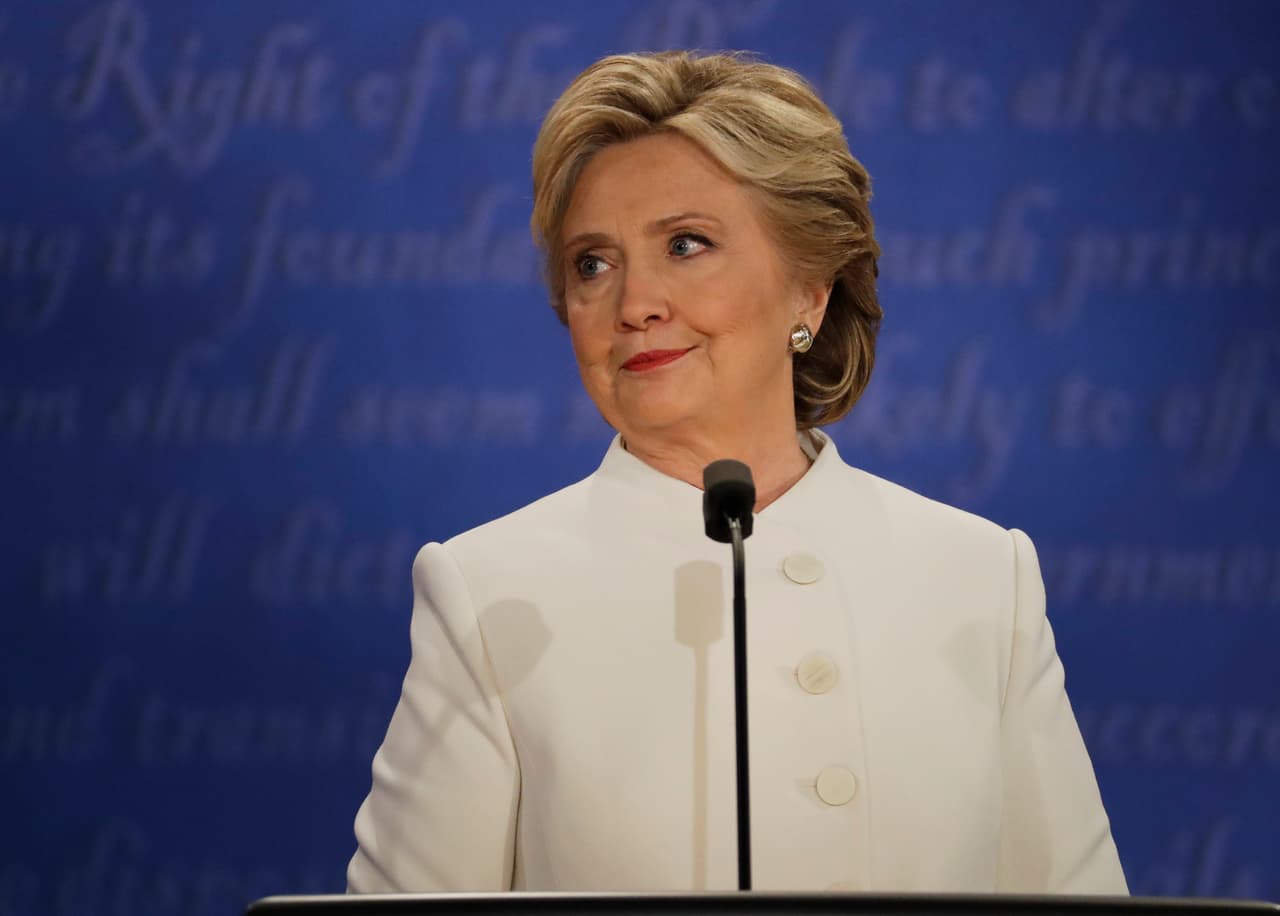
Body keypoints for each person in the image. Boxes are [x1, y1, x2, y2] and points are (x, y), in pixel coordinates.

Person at [345, 50, 1127, 895]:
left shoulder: (981, 576)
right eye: (592, 264)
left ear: (809, 290)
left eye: (686, 244)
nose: (635, 303)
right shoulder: (490, 594)